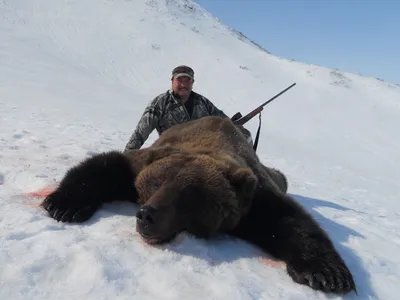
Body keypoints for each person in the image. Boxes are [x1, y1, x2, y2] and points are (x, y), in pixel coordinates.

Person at [123, 65, 252, 152]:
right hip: (170, 156)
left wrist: (236, 127)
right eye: (180, 80)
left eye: (188, 80)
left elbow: (223, 121)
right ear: (172, 81)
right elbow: (140, 134)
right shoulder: (160, 103)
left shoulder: (202, 102)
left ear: (193, 82)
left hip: (203, 155)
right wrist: (126, 160)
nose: (184, 84)